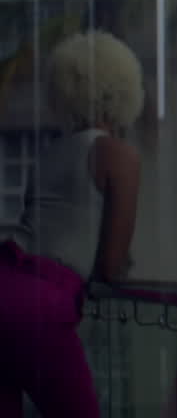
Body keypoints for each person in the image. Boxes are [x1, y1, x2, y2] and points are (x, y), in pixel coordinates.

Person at [0, 30, 145, 417]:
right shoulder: (119, 156)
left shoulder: (48, 154)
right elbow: (110, 268)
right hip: (39, 306)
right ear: (125, 92)